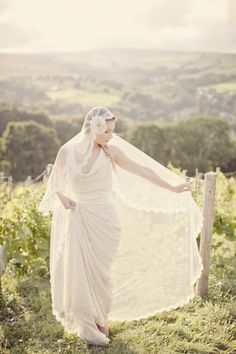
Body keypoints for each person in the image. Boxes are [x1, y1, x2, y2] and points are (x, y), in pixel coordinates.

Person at [38, 106, 204, 346]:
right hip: (79, 217)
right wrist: (62, 197)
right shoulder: (67, 151)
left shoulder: (111, 152)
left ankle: (101, 319)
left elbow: (142, 171)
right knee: (80, 272)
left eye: (112, 130)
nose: (111, 136)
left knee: (101, 274)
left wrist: (173, 186)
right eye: (106, 131)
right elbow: (55, 183)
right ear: (92, 128)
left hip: (105, 220)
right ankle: (87, 323)